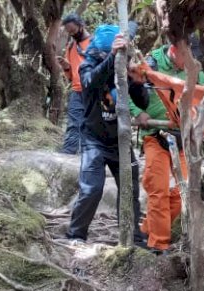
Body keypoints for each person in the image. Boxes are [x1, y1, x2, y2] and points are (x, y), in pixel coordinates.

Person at [65, 25, 148, 245]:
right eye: (106, 53)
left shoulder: (122, 69)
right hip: (94, 139)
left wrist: (138, 82)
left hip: (119, 141)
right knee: (92, 189)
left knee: (130, 190)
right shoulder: (88, 66)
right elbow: (90, 81)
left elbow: (143, 102)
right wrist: (111, 57)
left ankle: (132, 237)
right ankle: (76, 234)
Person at [131, 38, 204, 253]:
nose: (190, 61)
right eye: (186, 56)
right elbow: (129, 89)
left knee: (179, 194)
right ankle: (158, 243)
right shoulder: (151, 64)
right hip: (156, 135)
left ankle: (149, 228)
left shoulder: (195, 71)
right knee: (158, 189)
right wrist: (138, 113)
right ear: (174, 50)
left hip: (183, 139)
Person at [59, 14, 91, 155]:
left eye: (73, 30)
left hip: (93, 91)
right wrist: (66, 66)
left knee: (90, 125)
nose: (71, 34)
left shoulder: (95, 42)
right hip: (76, 91)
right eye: (69, 32)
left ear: (81, 25)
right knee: (73, 124)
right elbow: (71, 76)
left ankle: (88, 153)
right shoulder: (71, 46)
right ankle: (68, 153)